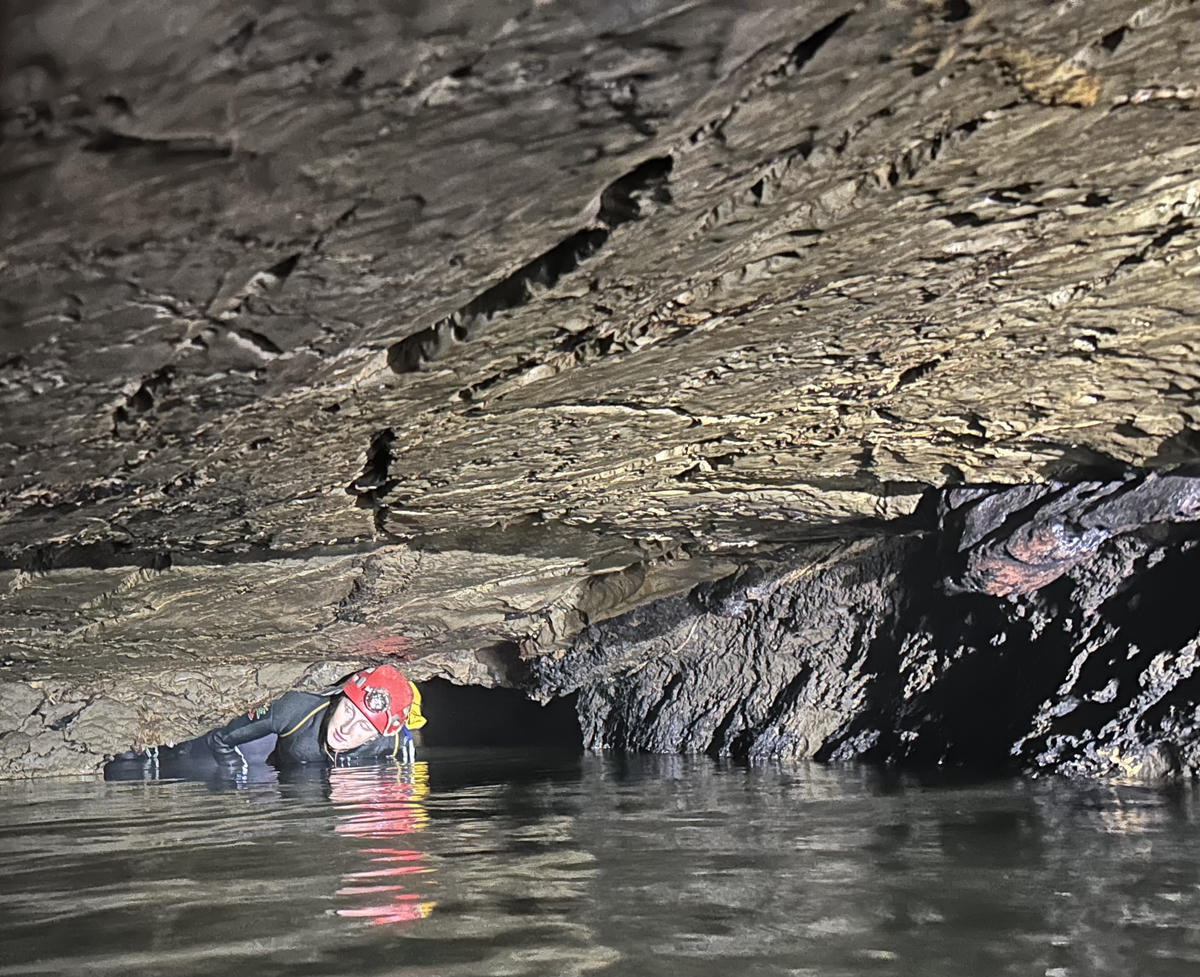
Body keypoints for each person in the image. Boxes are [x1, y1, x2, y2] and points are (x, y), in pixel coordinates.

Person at [105, 664, 427, 778]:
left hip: (300, 769)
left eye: (365, 727)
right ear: (338, 697)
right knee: (204, 760)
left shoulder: (395, 741)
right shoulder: (296, 709)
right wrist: (233, 775)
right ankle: (153, 753)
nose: (347, 729)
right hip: (269, 751)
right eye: (348, 711)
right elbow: (221, 737)